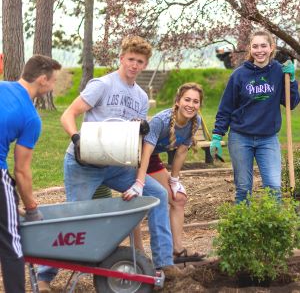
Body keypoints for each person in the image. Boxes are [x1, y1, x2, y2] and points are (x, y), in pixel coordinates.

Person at [37, 35, 181, 292]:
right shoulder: (102, 85)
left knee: (158, 193)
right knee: (74, 218)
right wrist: (76, 137)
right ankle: (44, 276)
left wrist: (141, 129)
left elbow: (132, 134)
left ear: (145, 64)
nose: (134, 65)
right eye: (130, 59)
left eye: (140, 61)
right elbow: (68, 114)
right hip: (84, 162)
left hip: (116, 164)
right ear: (121, 58)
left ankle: (164, 263)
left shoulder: (139, 96)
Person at [210, 29, 300, 204]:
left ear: (271, 47)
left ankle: (275, 230)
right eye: (255, 46)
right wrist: (216, 135)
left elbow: (291, 102)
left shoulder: (278, 72)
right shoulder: (239, 75)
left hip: (268, 139)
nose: (260, 50)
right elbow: (225, 108)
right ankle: (243, 228)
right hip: (240, 137)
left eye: (264, 46)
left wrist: (292, 79)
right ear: (250, 49)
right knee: (243, 188)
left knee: (274, 188)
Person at [125, 82, 206, 263]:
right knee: (137, 203)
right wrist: (139, 183)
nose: (191, 105)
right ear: (177, 101)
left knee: (178, 198)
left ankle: (177, 250)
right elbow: (145, 152)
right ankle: (138, 253)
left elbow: (181, 151)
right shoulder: (161, 121)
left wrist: (174, 179)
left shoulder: (195, 121)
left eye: (195, 101)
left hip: (151, 158)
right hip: (135, 157)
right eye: (187, 100)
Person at [0, 55, 61, 293]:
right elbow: (22, 171)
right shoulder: (31, 117)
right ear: (43, 80)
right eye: (53, 81)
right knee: (11, 244)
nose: (54, 86)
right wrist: (32, 208)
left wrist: (11, 206)